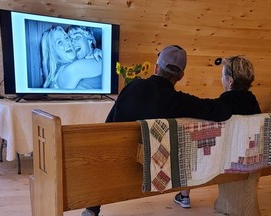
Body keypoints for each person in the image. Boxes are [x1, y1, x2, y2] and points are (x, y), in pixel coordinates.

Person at [81, 45, 234, 216]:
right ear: (181, 76)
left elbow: (107, 127)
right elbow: (221, 111)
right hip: (154, 171)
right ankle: (184, 196)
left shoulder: (131, 87)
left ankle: (92, 209)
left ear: (156, 67)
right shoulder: (178, 101)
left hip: (116, 164)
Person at [173, 55, 261, 209]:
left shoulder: (222, 106)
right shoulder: (254, 104)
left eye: (222, 76)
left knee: (190, 144)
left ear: (230, 81)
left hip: (221, 162)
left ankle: (184, 195)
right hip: (249, 159)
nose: (221, 79)